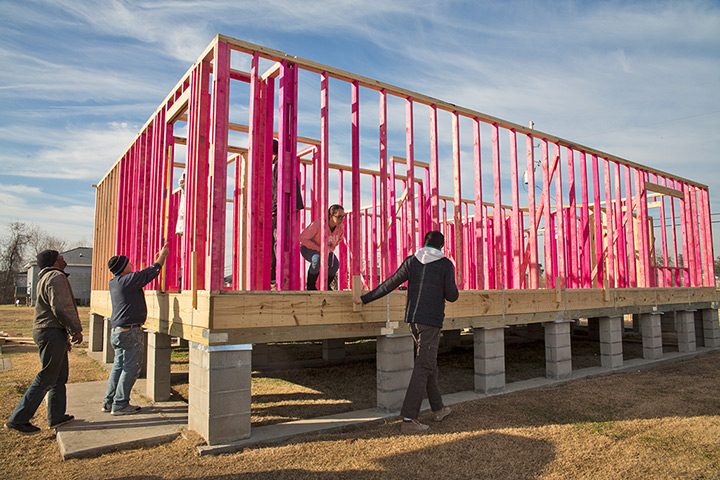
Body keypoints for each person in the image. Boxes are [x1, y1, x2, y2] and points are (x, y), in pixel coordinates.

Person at [353, 230, 459, 434]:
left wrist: (364, 298)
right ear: (441, 246)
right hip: (431, 322)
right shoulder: (445, 264)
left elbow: (391, 283)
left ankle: (438, 409)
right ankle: (409, 419)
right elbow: (452, 296)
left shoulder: (413, 261)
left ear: (424, 244)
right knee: (424, 366)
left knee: (429, 364)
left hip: (413, 321)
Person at [4, 250, 83, 435]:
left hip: (52, 332)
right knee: (47, 376)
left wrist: (64, 335)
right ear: (54, 261)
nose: (63, 258)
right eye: (60, 257)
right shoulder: (56, 277)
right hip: (50, 332)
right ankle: (18, 419)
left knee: (59, 376)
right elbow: (61, 307)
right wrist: (75, 329)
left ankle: (56, 416)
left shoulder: (46, 278)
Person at [102, 244, 169, 415]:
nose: (132, 266)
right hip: (129, 332)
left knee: (118, 367)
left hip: (118, 332)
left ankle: (109, 401)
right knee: (131, 368)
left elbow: (145, 274)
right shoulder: (126, 281)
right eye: (129, 264)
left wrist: (156, 261)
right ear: (123, 269)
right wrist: (162, 257)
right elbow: (149, 273)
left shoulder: (115, 282)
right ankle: (120, 404)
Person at [271, 138, 305, 284]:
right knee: (282, 243)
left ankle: (278, 278)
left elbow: (280, 190)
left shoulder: (280, 165)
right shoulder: (284, 163)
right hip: (287, 210)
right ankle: (281, 278)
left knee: (278, 243)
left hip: (282, 211)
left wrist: (274, 210)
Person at [299, 204, 345, 290]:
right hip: (308, 248)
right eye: (339, 217)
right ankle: (310, 286)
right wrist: (319, 249)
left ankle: (326, 285)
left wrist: (331, 248)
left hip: (326, 250)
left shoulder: (340, 227)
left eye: (343, 217)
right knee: (317, 259)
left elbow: (339, 239)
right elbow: (302, 238)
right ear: (331, 217)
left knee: (335, 264)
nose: (341, 220)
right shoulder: (318, 224)